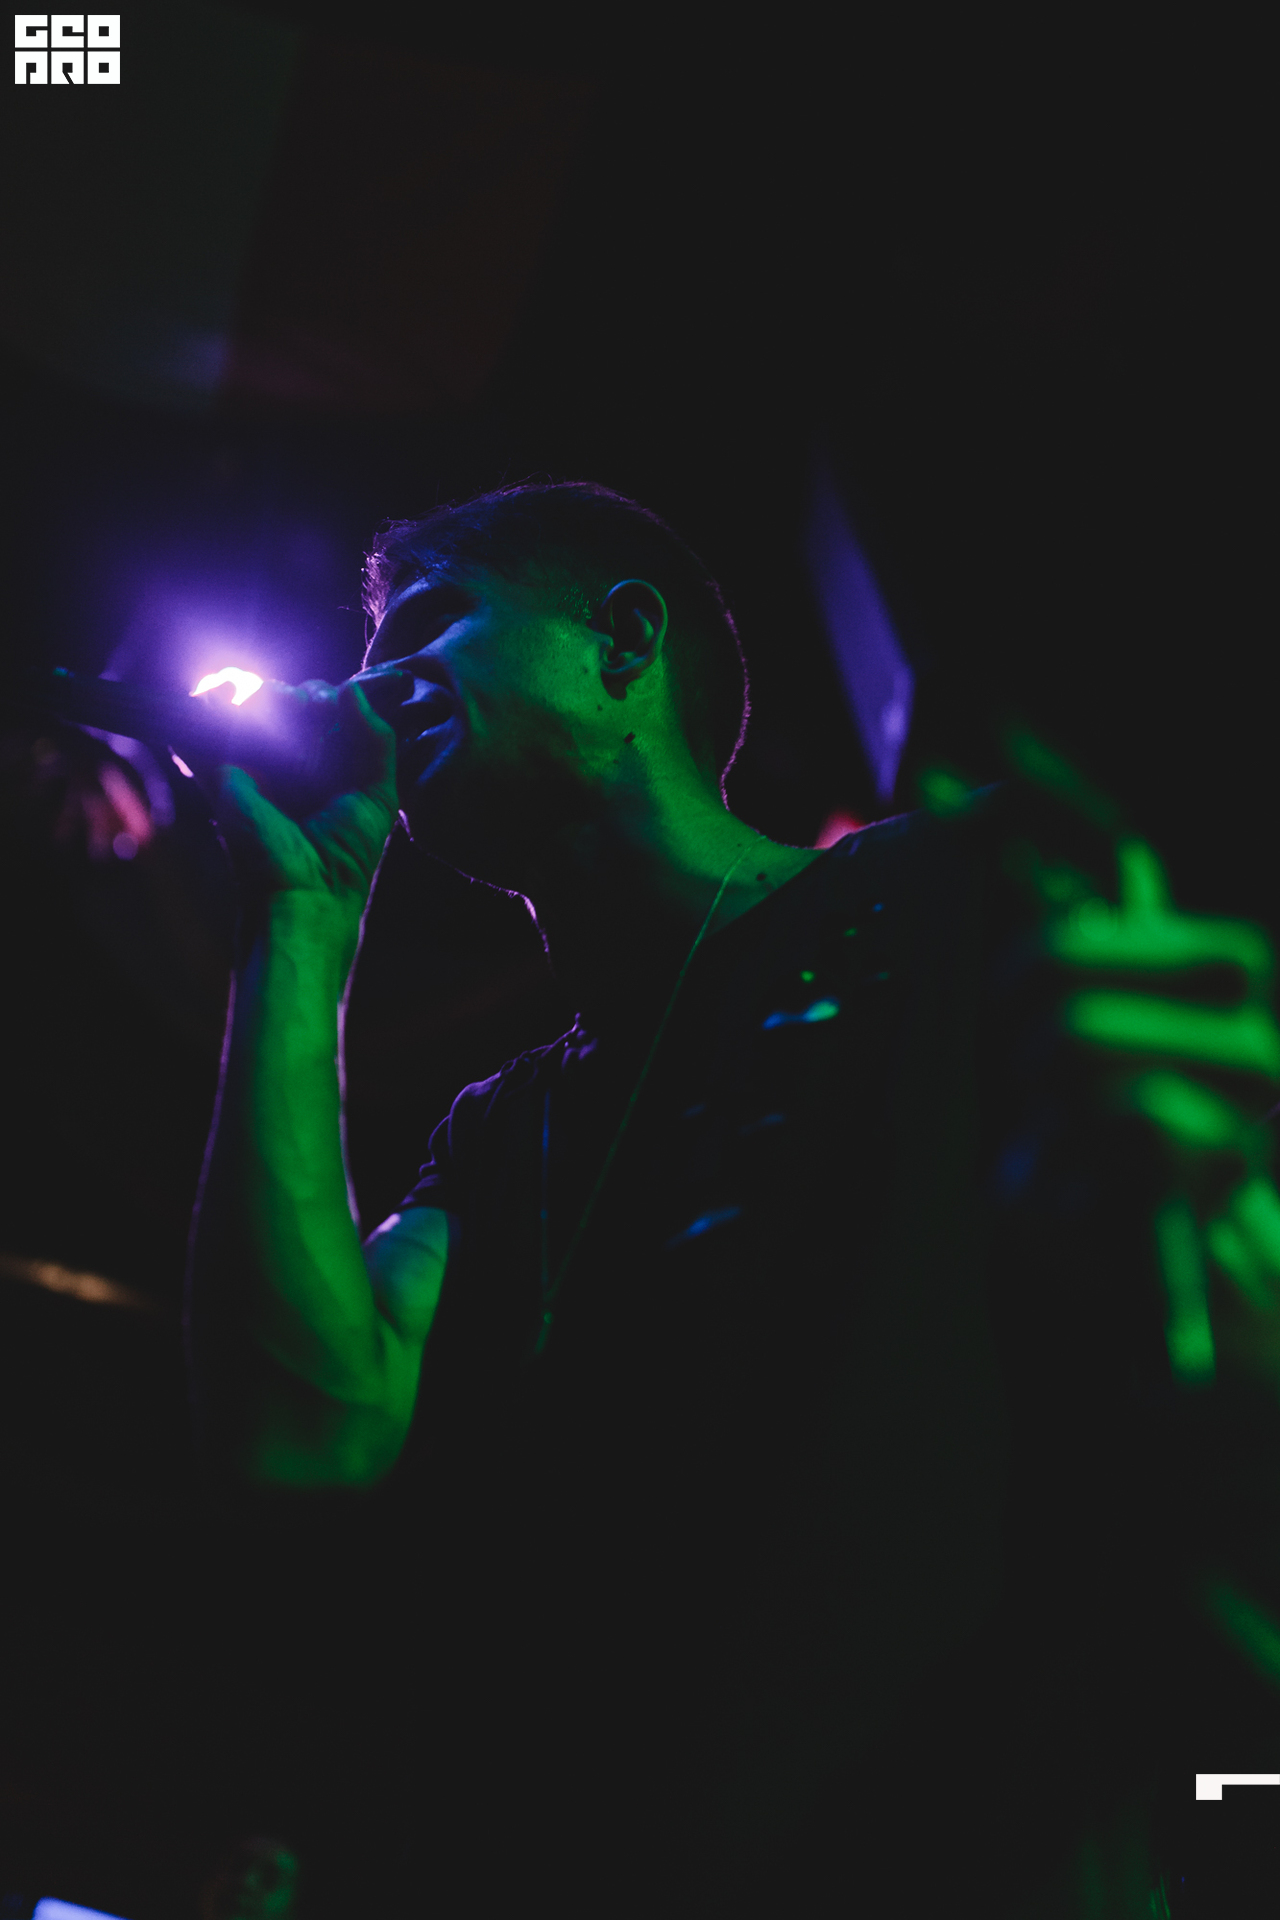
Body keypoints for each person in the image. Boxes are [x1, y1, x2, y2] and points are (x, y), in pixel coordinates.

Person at [187, 482, 1280, 1917]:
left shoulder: (951, 887)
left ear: (623, 643)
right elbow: (304, 1430)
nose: (369, 691)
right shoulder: (498, 1132)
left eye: (432, 626)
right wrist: (300, 909)